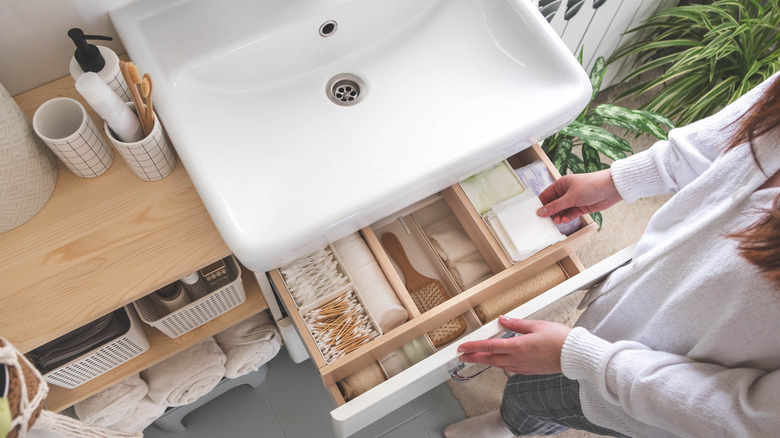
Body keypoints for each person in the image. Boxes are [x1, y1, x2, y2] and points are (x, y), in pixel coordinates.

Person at [444, 70, 780, 438]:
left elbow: (747, 420)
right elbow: (733, 132)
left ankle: (510, 426)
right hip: (639, 309)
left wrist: (588, 360)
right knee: (548, 389)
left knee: (533, 395)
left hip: (651, 387)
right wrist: (620, 180)